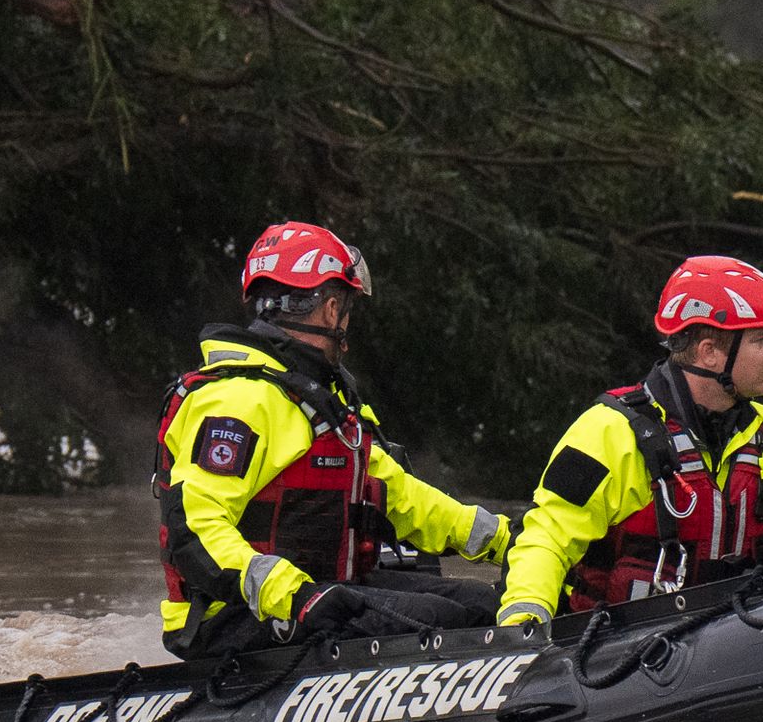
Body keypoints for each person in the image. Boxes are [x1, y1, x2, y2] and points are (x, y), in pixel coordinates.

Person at [154, 222, 510, 658]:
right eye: (346, 309)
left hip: (318, 593)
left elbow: (400, 497)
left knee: (485, 604)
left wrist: (508, 540)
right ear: (330, 310)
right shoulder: (239, 399)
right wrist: (295, 596)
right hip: (238, 616)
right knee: (449, 620)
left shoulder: (318, 400)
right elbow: (195, 527)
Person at [497, 255, 763, 627]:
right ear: (709, 352)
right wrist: (524, 619)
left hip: (738, 639)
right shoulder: (609, 432)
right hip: (611, 643)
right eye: (761, 339)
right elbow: (547, 538)